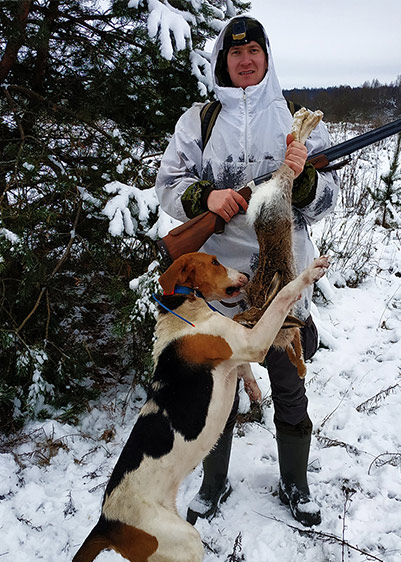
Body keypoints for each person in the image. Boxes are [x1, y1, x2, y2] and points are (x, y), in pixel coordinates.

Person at [155, 16, 339, 527]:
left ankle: (295, 483)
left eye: (254, 50)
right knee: (218, 384)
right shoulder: (198, 120)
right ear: (223, 61)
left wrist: (303, 183)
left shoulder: (296, 121)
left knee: (288, 381)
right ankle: (214, 484)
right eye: (235, 53)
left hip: (282, 277)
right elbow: (167, 183)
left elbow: (327, 201)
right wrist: (204, 196)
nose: (245, 60)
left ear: (266, 56)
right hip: (219, 283)